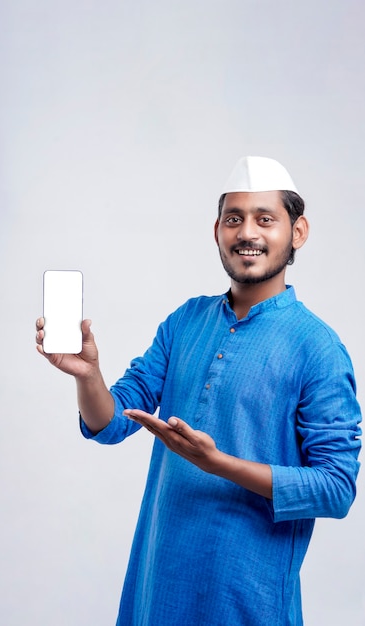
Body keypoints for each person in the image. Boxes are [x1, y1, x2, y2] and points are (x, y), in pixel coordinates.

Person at [36, 156, 362, 626]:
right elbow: (110, 423)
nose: (247, 232)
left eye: (265, 219)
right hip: (158, 588)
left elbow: (335, 489)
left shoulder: (318, 348)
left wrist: (218, 464)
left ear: (299, 232)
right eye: (235, 219)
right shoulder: (185, 321)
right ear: (217, 232)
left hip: (247, 598)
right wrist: (87, 376)